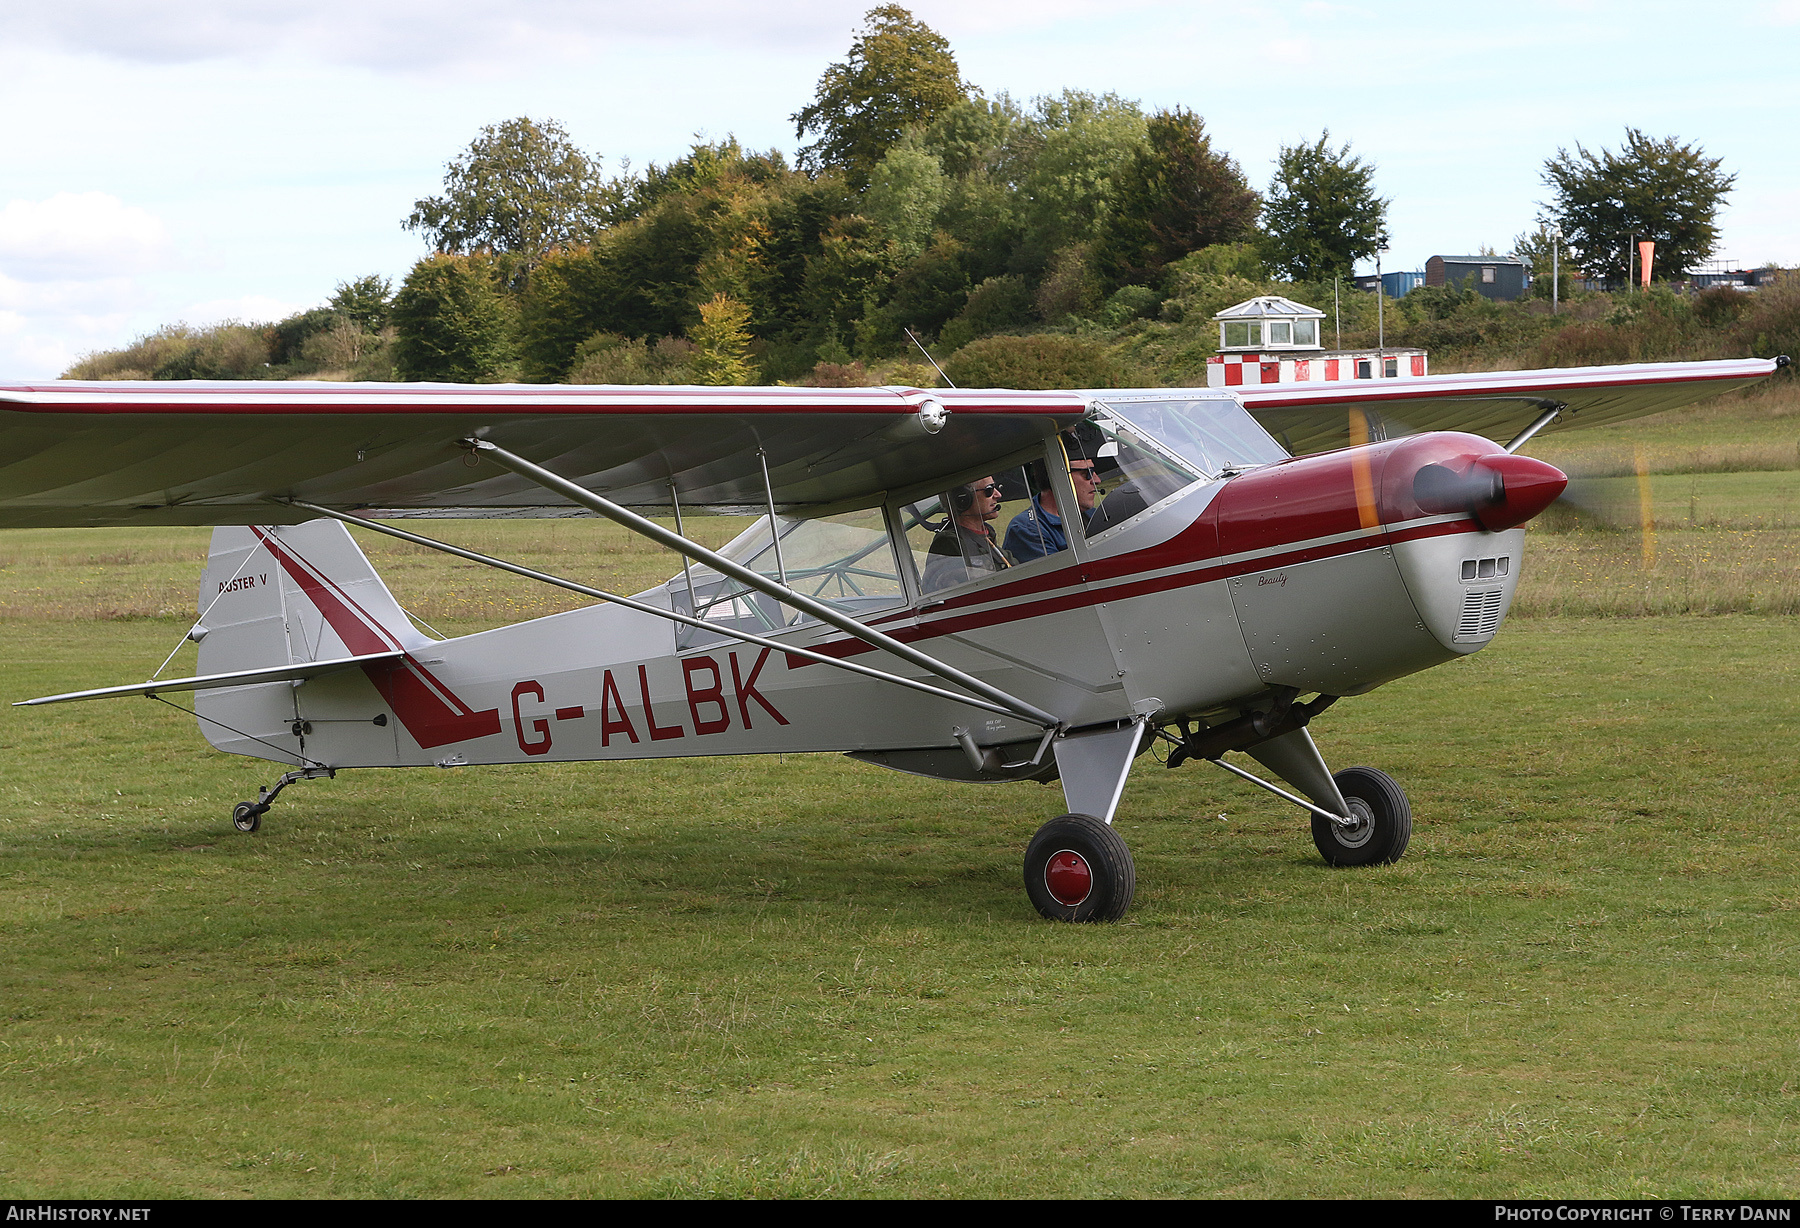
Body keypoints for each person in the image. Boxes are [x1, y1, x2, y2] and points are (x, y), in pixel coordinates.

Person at [1003, 458, 1101, 563]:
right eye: (1087, 474)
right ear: (1058, 477)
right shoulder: (1027, 529)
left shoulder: (1093, 515)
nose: (1097, 480)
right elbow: (1064, 575)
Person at [922, 477, 1010, 592]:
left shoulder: (987, 534)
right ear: (963, 498)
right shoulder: (950, 543)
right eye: (989, 490)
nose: (998, 495)